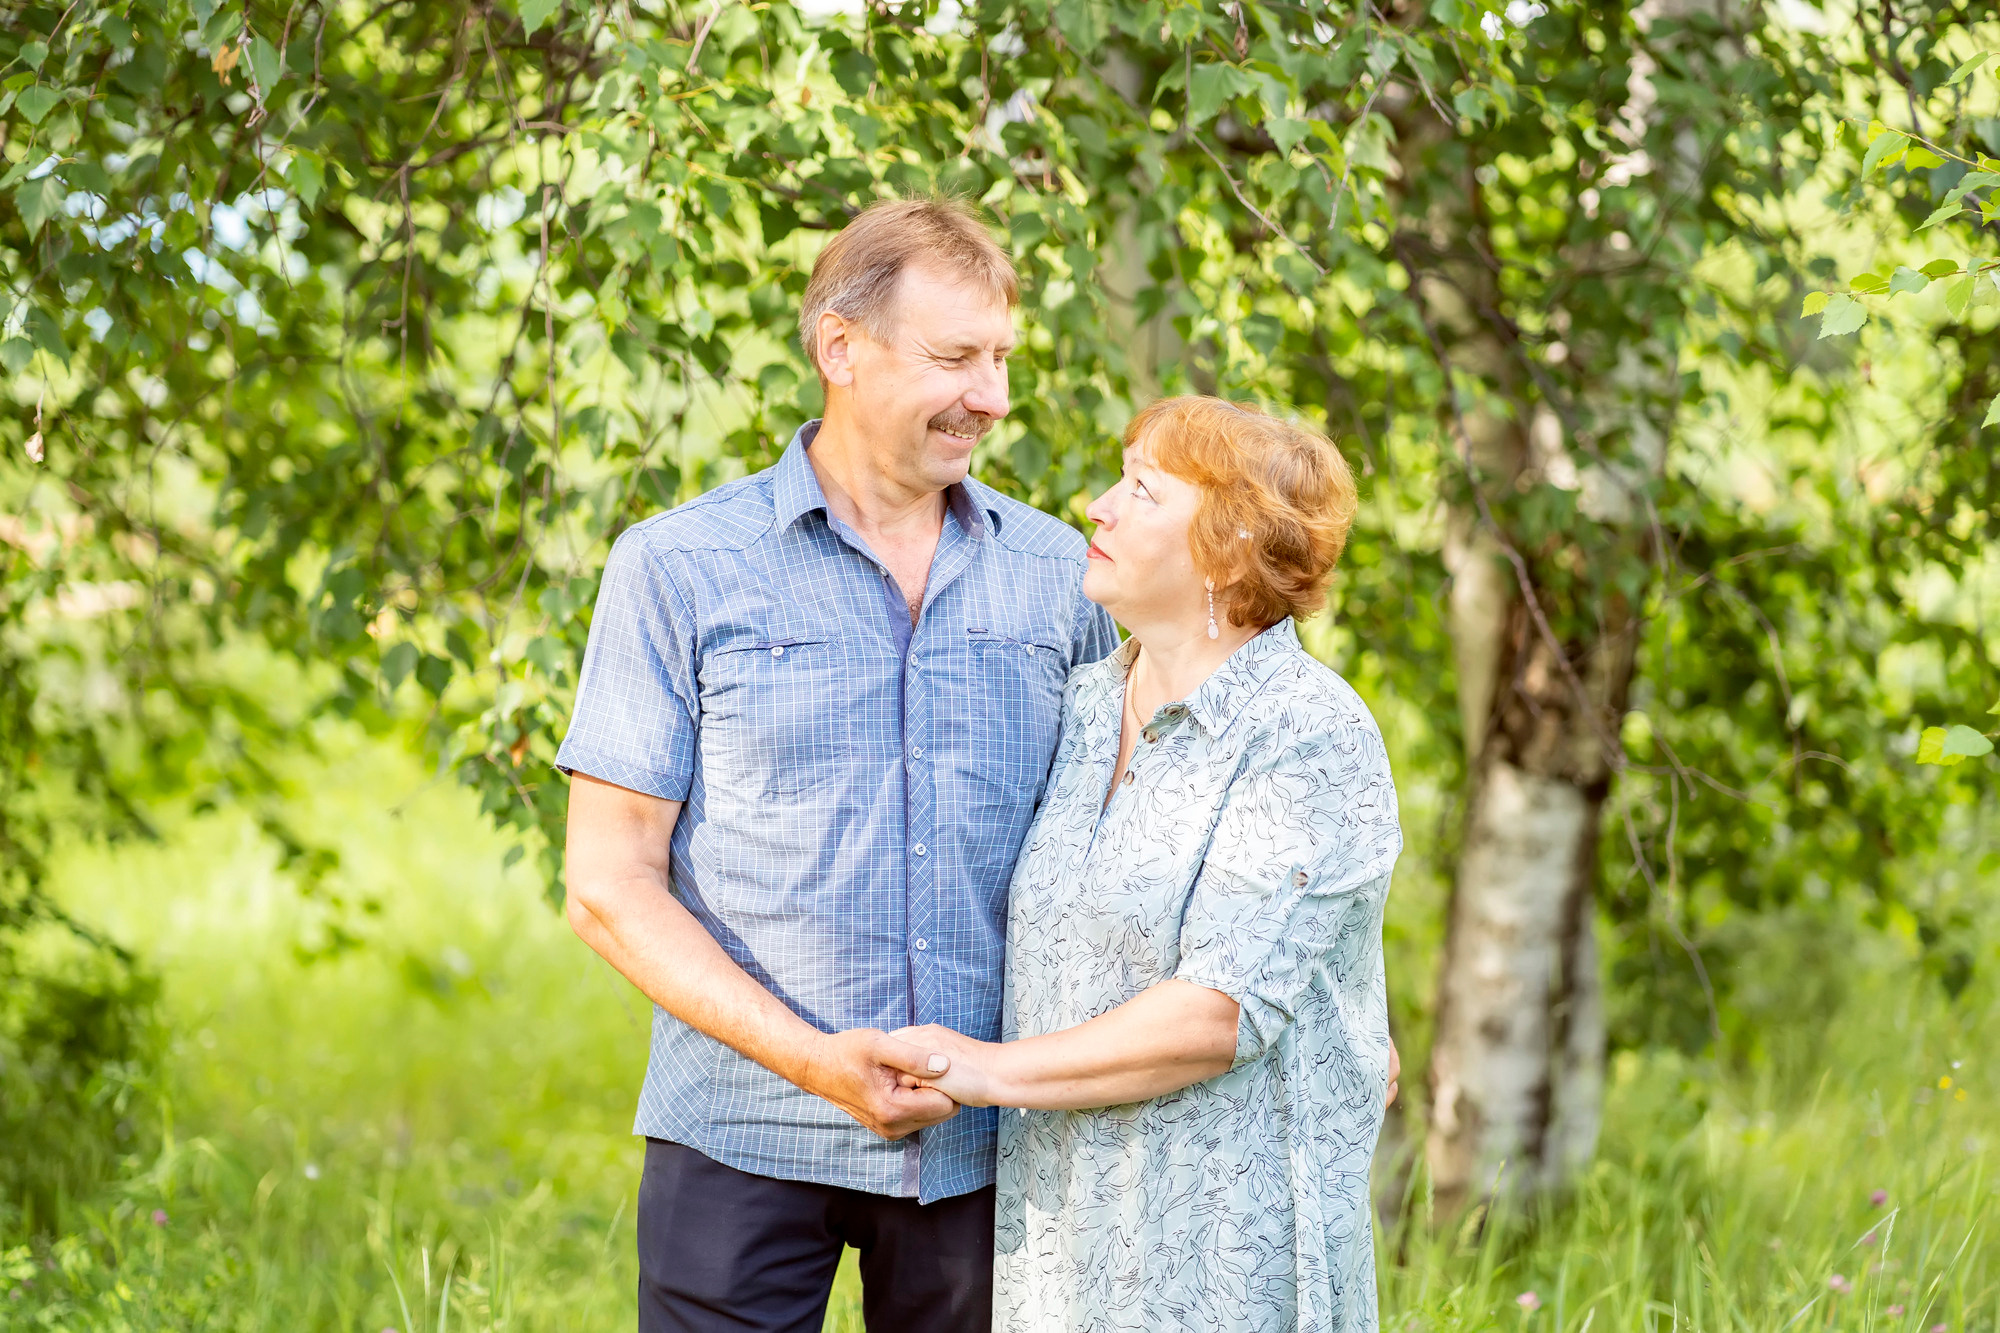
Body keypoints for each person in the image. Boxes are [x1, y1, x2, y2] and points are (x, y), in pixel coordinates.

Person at [555, 196, 1118, 1333]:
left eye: (1002, 357)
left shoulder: (1065, 579)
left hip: (993, 1148)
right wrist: (814, 1062)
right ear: (839, 347)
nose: (992, 397)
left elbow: (1140, 841)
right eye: (955, 357)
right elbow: (607, 885)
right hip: (742, 1128)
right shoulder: (677, 569)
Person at [895, 395, 1403, 1333]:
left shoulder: (1309, 732)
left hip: (1221, 1253)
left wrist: (975, 1070)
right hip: (1060, 1247)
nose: (1098, 505)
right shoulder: (1086, 704)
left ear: (1228, 540)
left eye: (1141, 489)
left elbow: (1218, 1014)